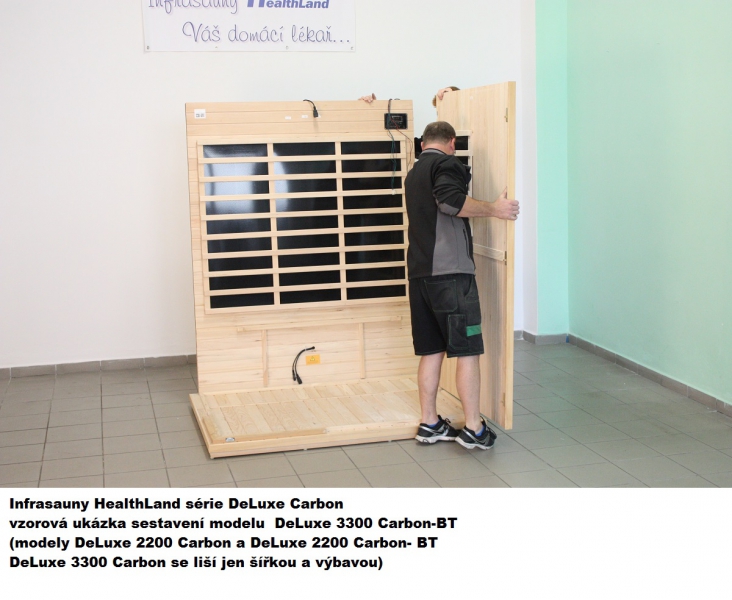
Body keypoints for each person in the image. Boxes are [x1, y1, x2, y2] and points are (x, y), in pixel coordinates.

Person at [405, 121, 519, 450]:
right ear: (452, 142)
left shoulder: (414, 173)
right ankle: (473, 428)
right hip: (451, 275)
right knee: (467, 349)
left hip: (421, 276)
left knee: (431, 350)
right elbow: (450, 202)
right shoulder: (447, 163)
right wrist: (494, 209)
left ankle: (430, 423)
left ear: (423, 143)